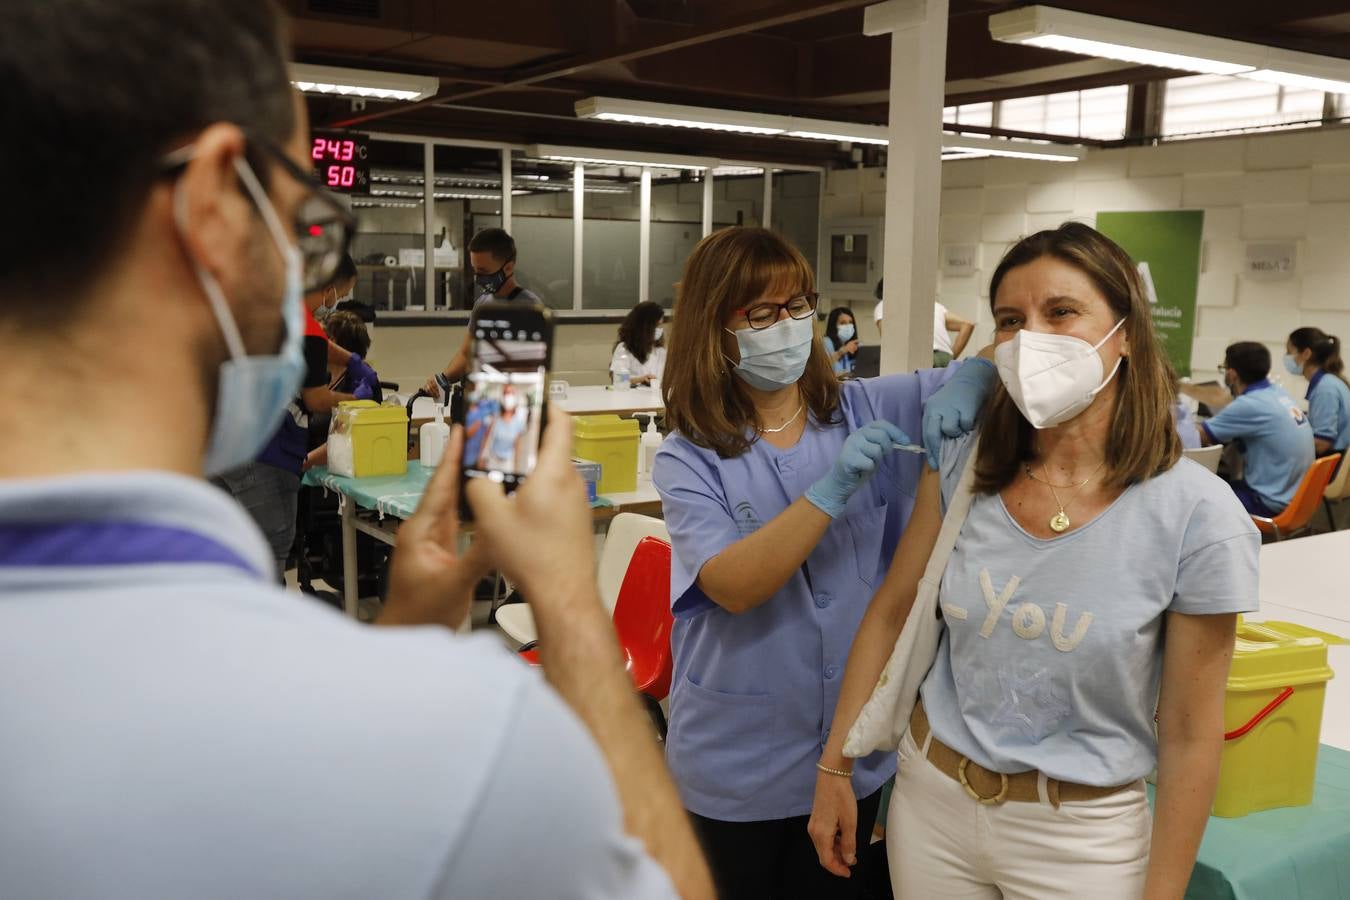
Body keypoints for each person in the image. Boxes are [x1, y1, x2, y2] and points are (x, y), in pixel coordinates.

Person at [0, 4, 714, 898]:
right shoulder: (466, 749)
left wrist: (401, 639)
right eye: (302, 223)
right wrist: (568, 599)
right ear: (217, 205)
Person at [810, 222, 1259, 899]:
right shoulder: (967, 464)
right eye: (1011, 321)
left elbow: (1193, 734)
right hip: (931, 805)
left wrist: (1163, 890)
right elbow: (893, 610)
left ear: (1127, 333)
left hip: (1081, 837)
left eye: (1062, 312)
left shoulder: (1197, 514)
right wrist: (835, 768)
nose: (1031, 341)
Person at [652, 226, 996, 899]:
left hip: (847, 751)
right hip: (735, 757)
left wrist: (976, 375)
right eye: (761, 313)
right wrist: (831, 491)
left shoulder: (862, 406)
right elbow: (732, 585)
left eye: (798, 306)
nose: (786, 325)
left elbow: (1000, 364)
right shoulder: (689, 455)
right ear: (715, 327)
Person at [213, 259, 366, 581]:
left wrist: (351, 360)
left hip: (221, 443)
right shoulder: (305, 327)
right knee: (270, 549)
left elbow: (317, 345)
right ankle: (264, 627)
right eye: (344, 293)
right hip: (262, 450)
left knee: (229, 546)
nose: (339, 301)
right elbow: (317, 399)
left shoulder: (275, 308)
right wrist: (359, 400)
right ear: (328, 290)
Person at [1200, 341, 1315, 516]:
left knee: (1197, 498)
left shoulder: (1250, 404)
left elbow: (1201, 436)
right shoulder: (1277, 393)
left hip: (1267, 502)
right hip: (1296, 498)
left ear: (1231, 374)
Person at [427, 228, 542, 393]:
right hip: (478, 400)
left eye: (484, 272)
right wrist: (442, 380)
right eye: (475, 270)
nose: (478, 278)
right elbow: (466, 354)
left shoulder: (530, 308)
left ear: (508, 268)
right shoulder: (483, 304)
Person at [1286, 327, 1350, 459]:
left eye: (1289, 352)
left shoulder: (1326, 388)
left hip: (1333, 461)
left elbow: (1322, 443)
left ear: (1306, 354)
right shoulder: (1330, 381)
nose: (1287, 358)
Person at [612, 300, 668, 386]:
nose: (659, 330)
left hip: (656, 397)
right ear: (644, 327)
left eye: (660, 326)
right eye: (656, 326)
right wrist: (640, 379)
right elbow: (618, 379)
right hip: (632, 397)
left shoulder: (661, 351)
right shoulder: (624, 349)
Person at [480, 384, 529, 471]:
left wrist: (516, 468)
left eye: (511, 393)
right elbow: (486, 439)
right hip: (492, 460)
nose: (508, 396)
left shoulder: (518, 422)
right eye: (506, 393)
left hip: (507, 463)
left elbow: (517, 446)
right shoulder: (495, 419)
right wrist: (481, 459)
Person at [932, 300, 975, 367]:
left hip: (930, 355)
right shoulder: (936, 306)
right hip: (946, 356)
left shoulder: (911, 302)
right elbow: (967, 325)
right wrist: (951, 358)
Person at [822, 306, 860, 376]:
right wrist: (841, 352)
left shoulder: (847, 345)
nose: (848, 326)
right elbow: (822, 367)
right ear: (833, 326)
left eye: (850, 322)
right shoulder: (826, 342)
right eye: (843, 323)